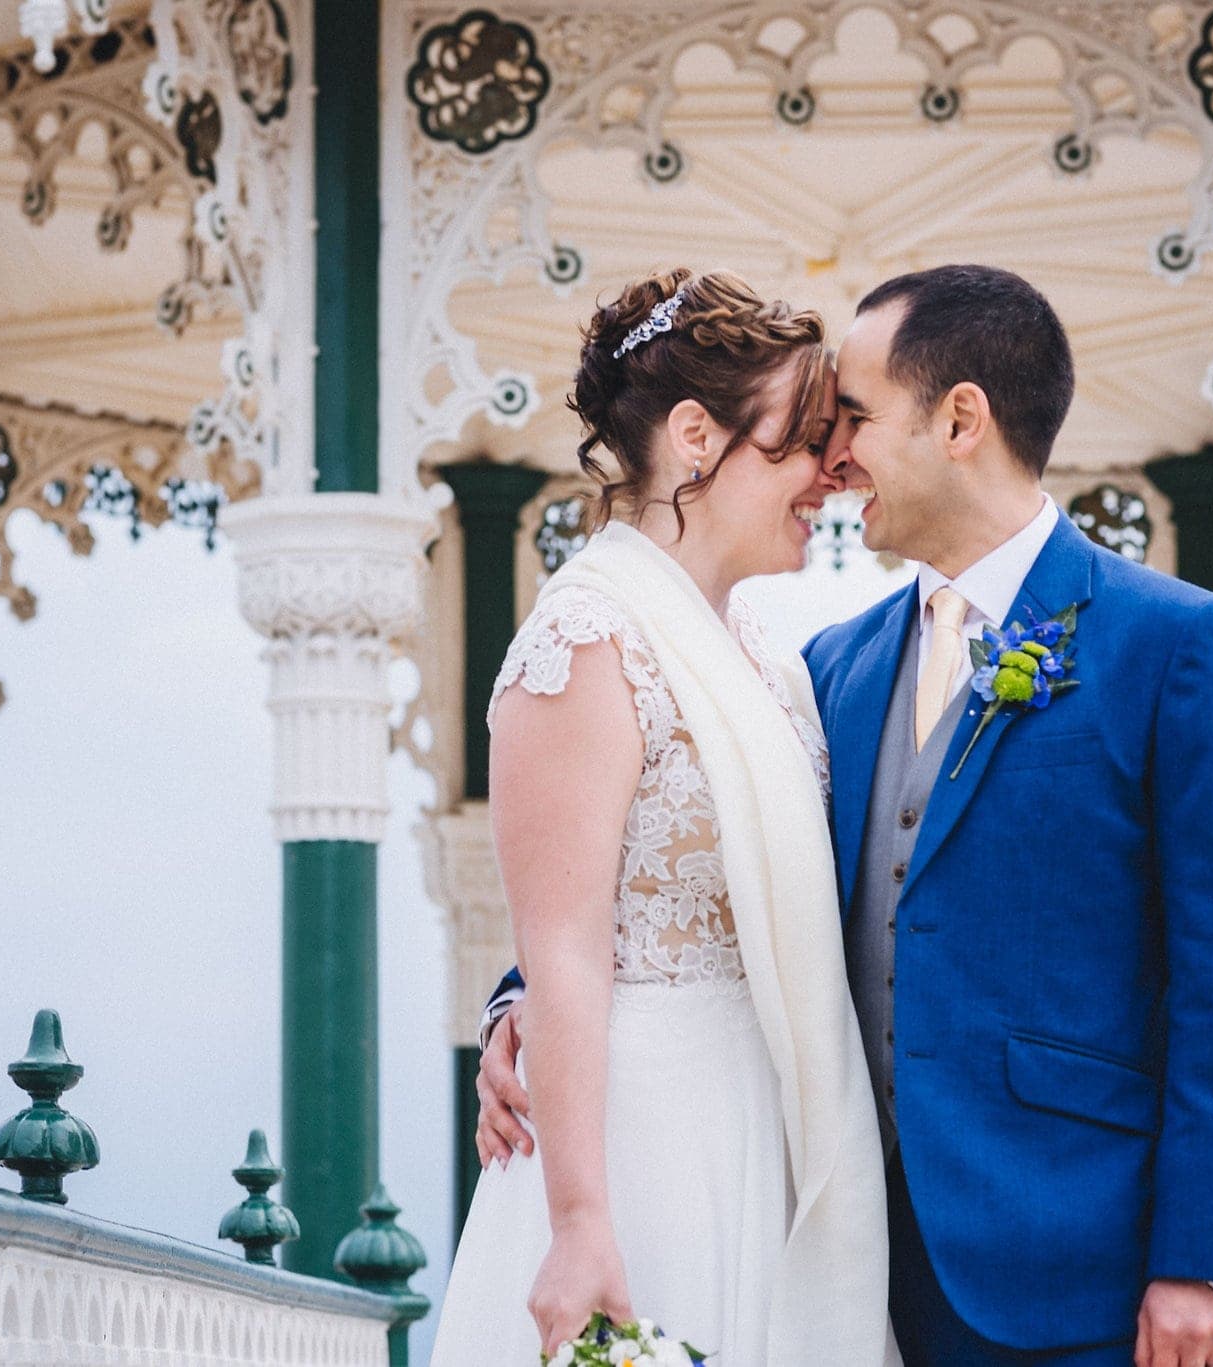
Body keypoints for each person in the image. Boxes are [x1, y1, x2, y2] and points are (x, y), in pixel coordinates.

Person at [479, 263, 1213, 1367]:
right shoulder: (828, 669)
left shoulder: (1177, 646)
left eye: (851, 418)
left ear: (960, 418)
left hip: (1075, 1261)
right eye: (814, 430)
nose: (834, 459)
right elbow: (636, 868)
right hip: (837, 1245)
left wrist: (1203, 1258)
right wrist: (516, 996)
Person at [428, 268, 901, 1367]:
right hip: (647, 1153)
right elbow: (566, 952)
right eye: (799, 443)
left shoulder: (768, 656)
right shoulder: (585, 641)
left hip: (773, 1127)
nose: (830, 476)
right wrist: (582, 1221)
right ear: (696, 436)